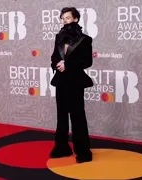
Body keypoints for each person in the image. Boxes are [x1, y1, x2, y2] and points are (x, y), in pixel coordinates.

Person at [49, 7, 94, 163]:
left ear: (75, 19)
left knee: (77, 116)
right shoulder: (58, 38)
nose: (64, 21)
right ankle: (61, 148)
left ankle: (83, 151)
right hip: (61, 81)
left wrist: (68, 64)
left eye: (67, 18)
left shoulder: (85, 40)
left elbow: (87, 61)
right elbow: (54, 57)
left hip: (75, 82)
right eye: (62, 18)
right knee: (61, 116)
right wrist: (57, 64)